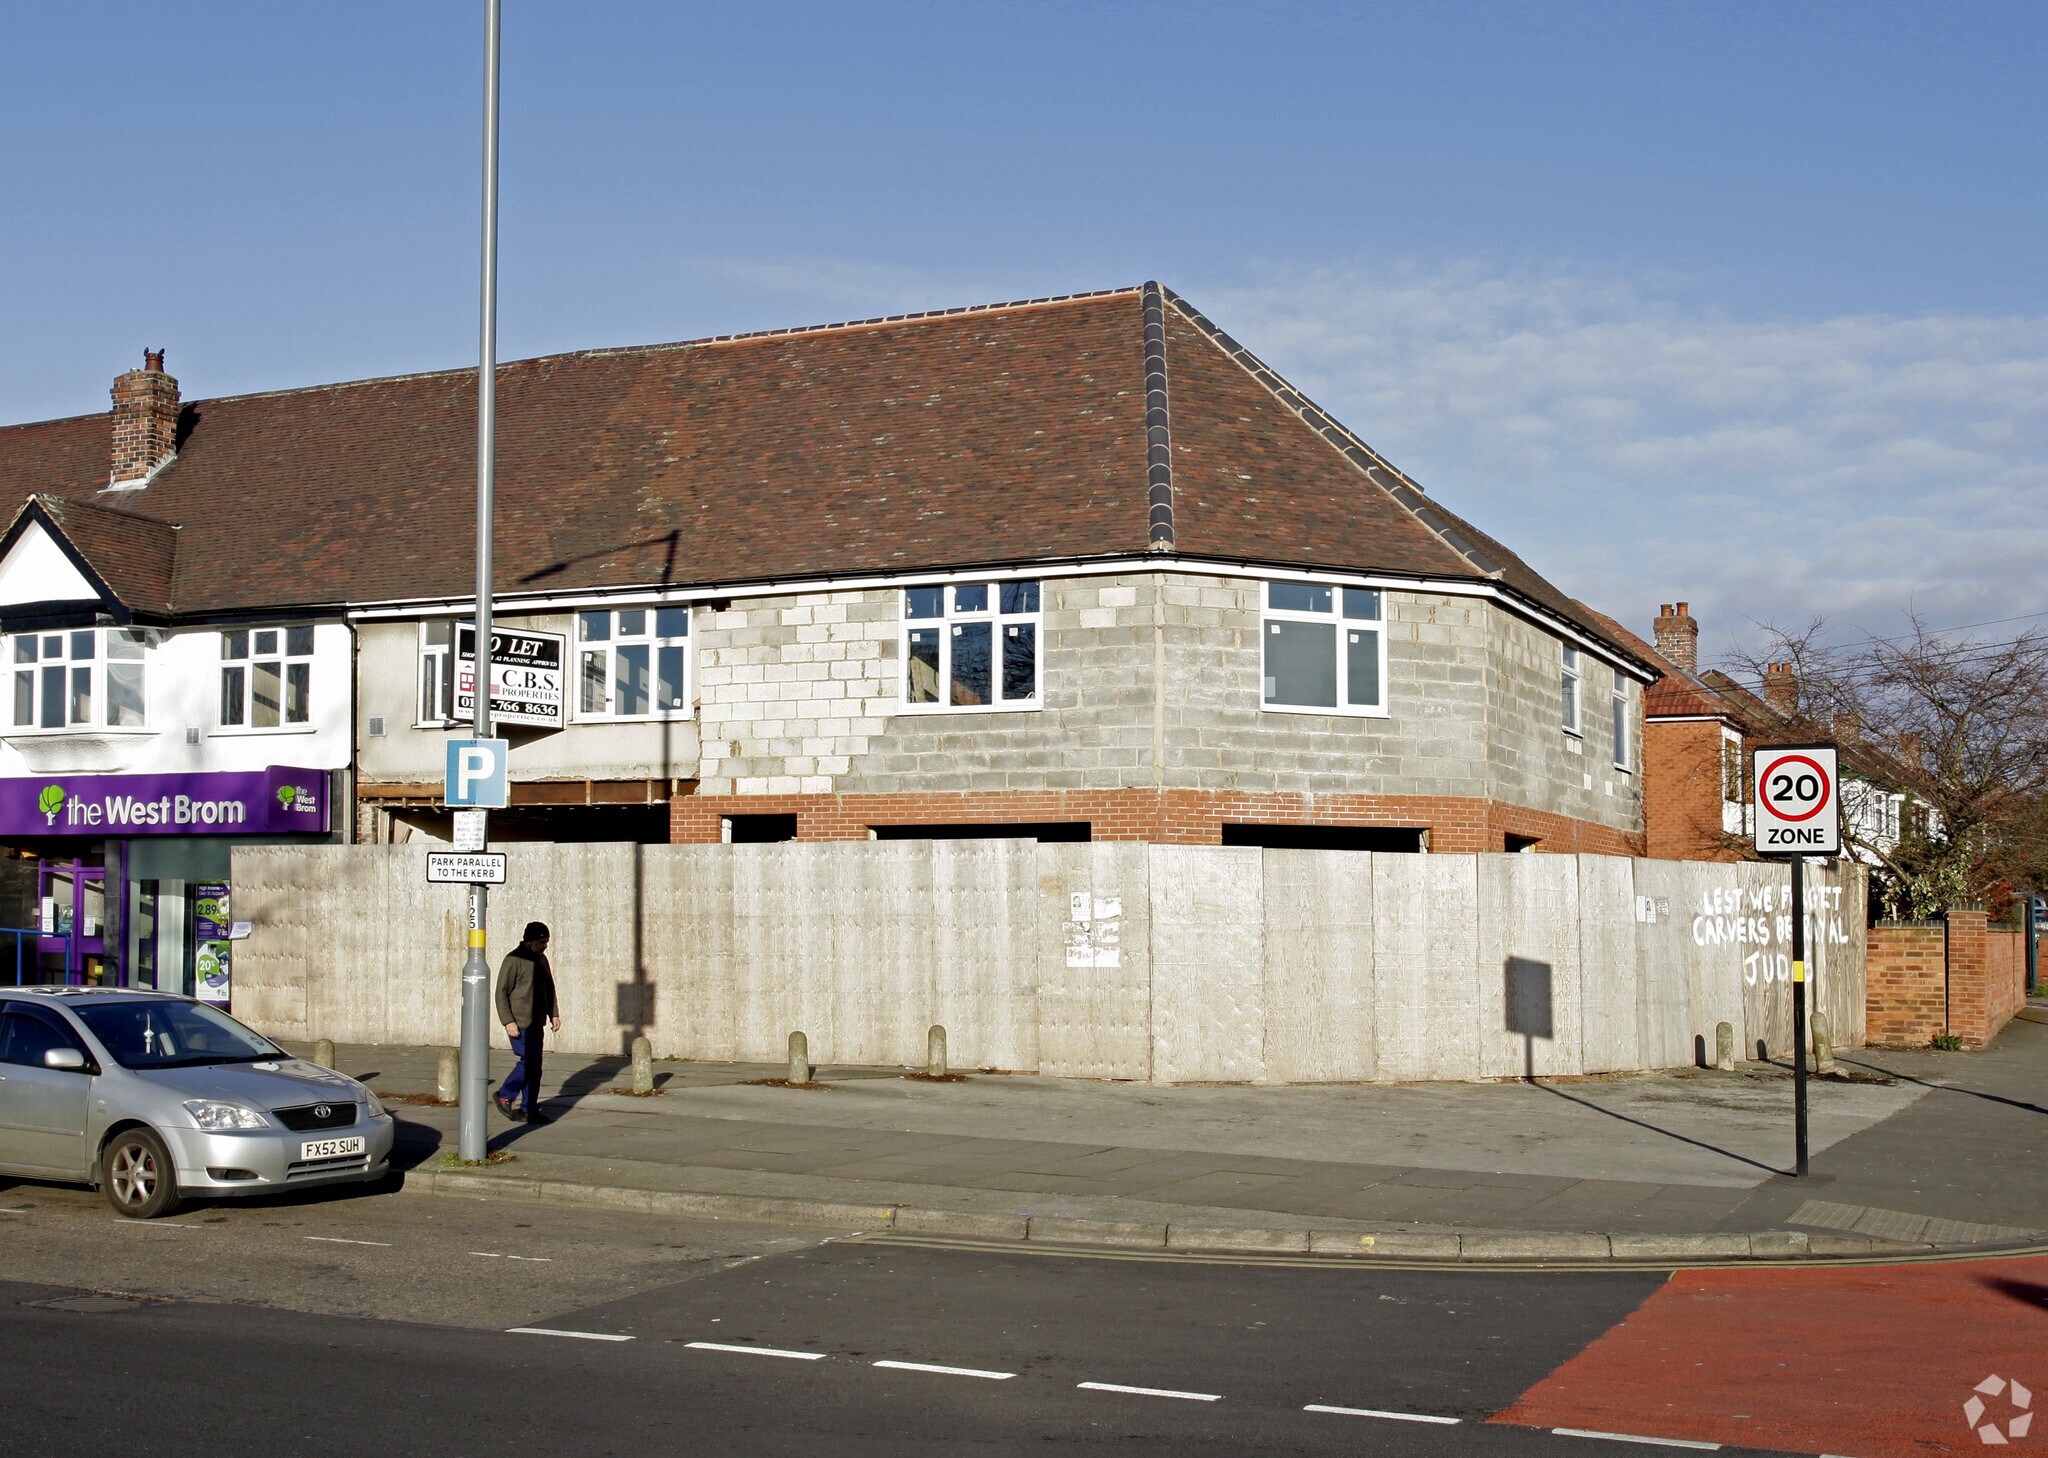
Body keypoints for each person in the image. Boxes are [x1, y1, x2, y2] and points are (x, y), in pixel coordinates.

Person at [493, 921, 558, 1123]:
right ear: (529, 941)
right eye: (541, 942)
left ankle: (528, 1110)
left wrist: (553, 1014)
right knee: (529, 1061)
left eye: (546, 942)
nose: (544, 946)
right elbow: (501, 992)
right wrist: (508, 1021)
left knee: (535, 1066)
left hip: (536, 1022)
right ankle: (505, 1094)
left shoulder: (541, 960)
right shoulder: (513, 960)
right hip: (519, 1023)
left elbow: (549, 988)